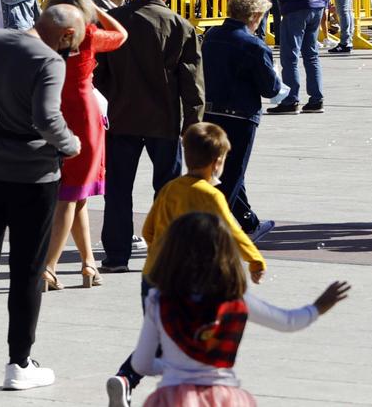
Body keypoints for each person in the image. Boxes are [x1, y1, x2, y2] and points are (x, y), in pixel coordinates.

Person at [0, 5, 83, 392]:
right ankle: (19, 362)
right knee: (26, 270)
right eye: (73, 44)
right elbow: (46, 117)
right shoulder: (49, 60)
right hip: (31, 171)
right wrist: (71, 144)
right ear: (63, 36)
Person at [107, 121, 269, 402]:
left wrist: (158, 251)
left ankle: (127, 380)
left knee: (159, 334)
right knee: (177, 338)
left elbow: (147, 230)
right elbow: (233, 230)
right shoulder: (211, 195)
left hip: (153, 274)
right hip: (182, 281)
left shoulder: (170, 189)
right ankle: (137, 381)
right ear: (217, 163)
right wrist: (255, 261)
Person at [117, 211, 349, 407]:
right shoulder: (235, 298)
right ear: (224, 253)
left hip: (172, 396)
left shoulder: (160, 300)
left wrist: (172, 367)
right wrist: (317, 307)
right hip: (223, 397)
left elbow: (141, 364)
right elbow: (287, 321)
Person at [97, 0, 204, 274]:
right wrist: (193, 125)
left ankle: (116, 254)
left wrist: (110, 100)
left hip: (121, 117)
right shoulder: (180, 25)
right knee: (168, 188)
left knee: (118, 188)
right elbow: (191, 82)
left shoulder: (114, 21)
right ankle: (166, 249)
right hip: (164, 119)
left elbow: (98, 73)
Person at [38, 0, 127, 290]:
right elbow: (121, 35)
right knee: (73, 196)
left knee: (75, 195)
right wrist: (100, 9)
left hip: (50, 110)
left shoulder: (43, 34)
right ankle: (50, 266)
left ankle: (88, 262)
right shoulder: (87, 34)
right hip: (84, 113)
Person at [201, 0, 281, 240]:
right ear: (255, 15)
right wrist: (275, 73)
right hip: (240, 116)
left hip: (212, 112)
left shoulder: (212, 36)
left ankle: (250, 223)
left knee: (225, 172)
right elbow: (270, 88)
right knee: (230, 176)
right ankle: (206, 233)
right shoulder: (254, 45)